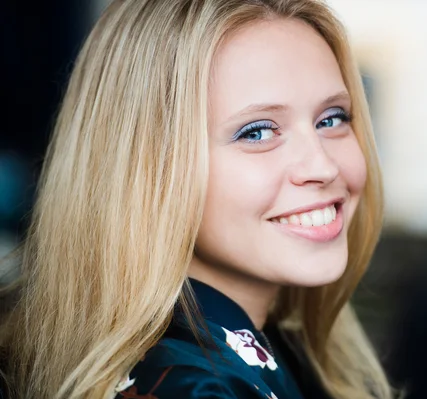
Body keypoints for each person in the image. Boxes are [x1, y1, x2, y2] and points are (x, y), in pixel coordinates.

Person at [0, 0, 391, 398]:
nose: (323, 167)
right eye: (256, 132)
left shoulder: (266, 350)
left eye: (332, 118)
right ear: (148, 168)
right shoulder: (198, 388)